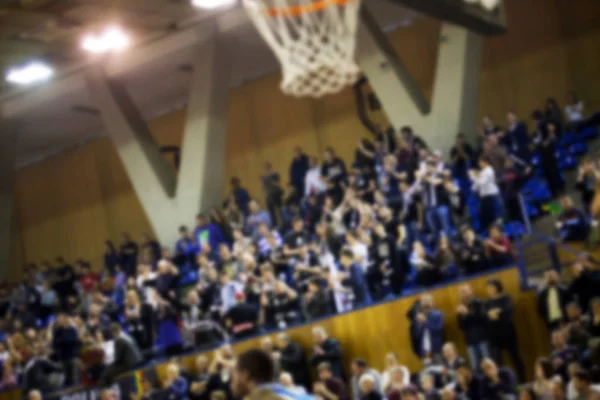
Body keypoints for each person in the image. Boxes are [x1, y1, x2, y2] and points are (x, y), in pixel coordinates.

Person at [484, 279, 525, 382]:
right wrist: (491, 314)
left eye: (491, 287)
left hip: (508, 334)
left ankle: (522, 381)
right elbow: (484, 315)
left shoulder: (506, 298)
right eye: (488, 288)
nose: (489, 290)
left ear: (497, 287)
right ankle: (501, 383)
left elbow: (508, 311)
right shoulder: (487, 302)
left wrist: (498, 312)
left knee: (516, 359)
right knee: (497, 362)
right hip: (495, 337)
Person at [231, 348, 311, 400]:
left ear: (245, 375)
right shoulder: (295, 392)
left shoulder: (256, 398)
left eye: (234, 374)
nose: (232, 382)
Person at [456, 284, 489, 370]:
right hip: (470, 341)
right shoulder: (461, 307)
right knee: (475, 367)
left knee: (488, 364)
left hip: (482, 339)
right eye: (461, 292)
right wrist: (462, 316)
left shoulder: (478, 302)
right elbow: (461, 327)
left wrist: (467, 314)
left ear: (471, 291)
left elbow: (482, 319)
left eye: (465, 291)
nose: (463, 294)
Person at [99, 323, 143, 387]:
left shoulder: (119, 340)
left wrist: (112, 365)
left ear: (113, 332)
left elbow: (118, 358)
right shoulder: (127, 336)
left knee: (108, 373)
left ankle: (106, 389)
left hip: (129, 364)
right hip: (137, 359)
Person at [410, 294, 444, 364]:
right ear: (421, 304)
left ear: (432, 302)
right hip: (425, 351)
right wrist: (420, 324)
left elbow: (437, 330)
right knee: (429, 371)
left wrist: (425, 322)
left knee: (440, 370)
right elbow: (416, 335)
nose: (426, 303)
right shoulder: (418, 317)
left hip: (436, 349)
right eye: (424, 301)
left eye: (427, 300)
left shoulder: (438, 314)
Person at [470, 156, 501, 233]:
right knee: (483, 217)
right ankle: (488, 233)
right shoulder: (483, 172)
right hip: (484, 198)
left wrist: (474, 176)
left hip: (490, 197)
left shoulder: (489, 171)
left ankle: (496, 233)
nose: (479, 164)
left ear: (485, 162)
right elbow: (476, 186)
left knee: (491, 217)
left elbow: (481, 182)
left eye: (480, 162)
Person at [51, 313, 81, 387]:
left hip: (72, 357)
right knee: (63, 380)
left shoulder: (72, 330)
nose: (58, 321)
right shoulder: (57, 331)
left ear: (65, 319)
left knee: (74, 379)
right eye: (58, 319)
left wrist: (64, 341)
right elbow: (55, 344)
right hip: (62, 358)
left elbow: (75, 341)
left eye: (60, 319)